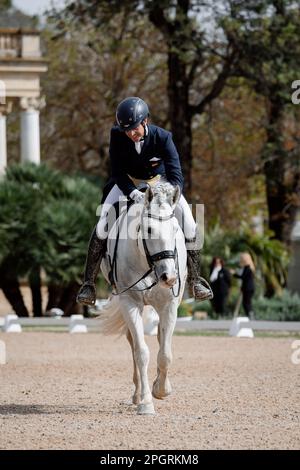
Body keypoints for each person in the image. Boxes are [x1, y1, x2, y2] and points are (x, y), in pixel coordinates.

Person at [76, 96, 213, 305]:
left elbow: (176, 174)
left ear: (145, 121)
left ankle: (196, 280)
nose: (131, 133)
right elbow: (118, 172)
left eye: (134, 128)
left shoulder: (163, 137)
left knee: (191, 224)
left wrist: (171, 194)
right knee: (103, 223)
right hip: (127, 183)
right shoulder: (117, 135)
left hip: (160, 183)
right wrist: (132, 193)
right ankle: (88, 284)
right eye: (126, 129)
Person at [232, 252, 255, 320]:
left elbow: (243, 277)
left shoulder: (248, 267)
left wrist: (234, 274)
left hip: (248, 288)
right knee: (246, 303)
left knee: (246, 303)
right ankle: (250, 316)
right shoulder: (247, 267)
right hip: (247, 288)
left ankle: (251, 316)